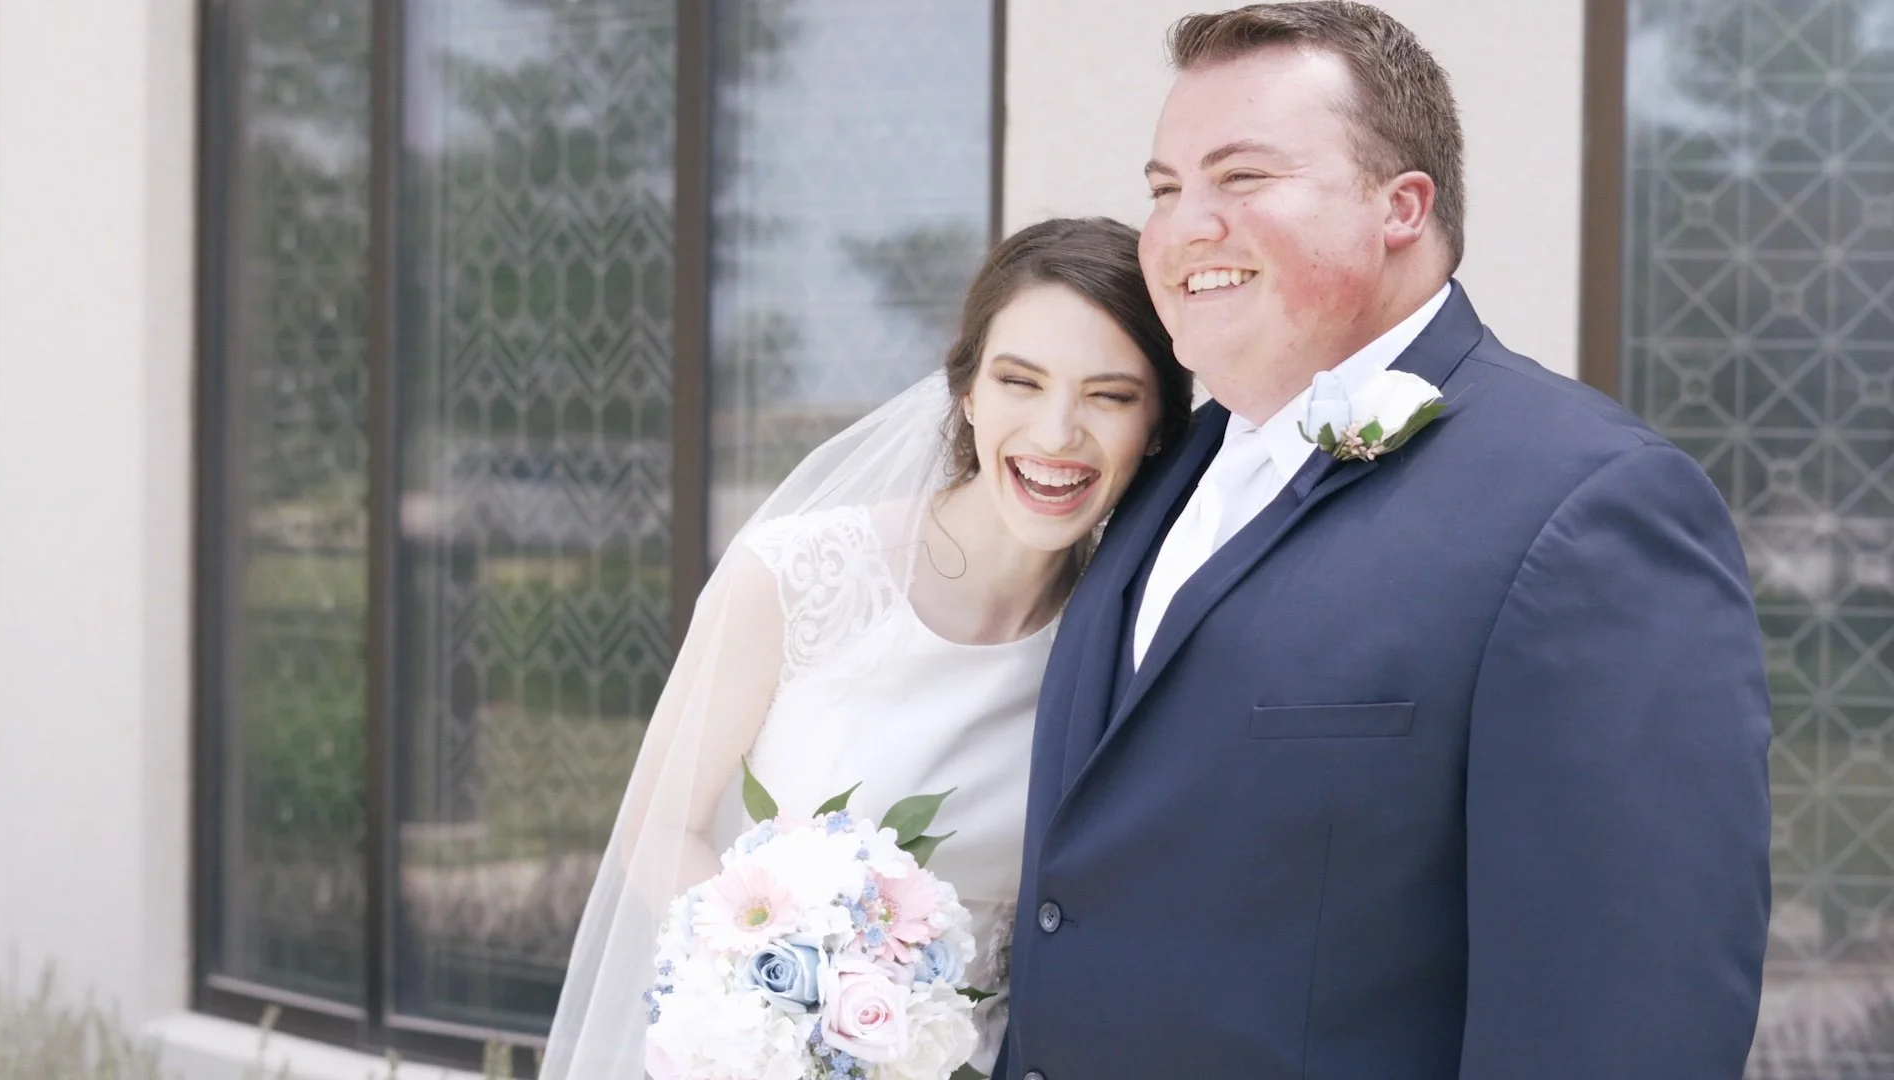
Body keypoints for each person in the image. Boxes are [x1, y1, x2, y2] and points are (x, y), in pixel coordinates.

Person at [998, 5, 1773, 1079]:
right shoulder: (1155, 468)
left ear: (1401, 206)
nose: (1182, 228)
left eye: (1242, 178)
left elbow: (1622, 1020)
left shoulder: (1589, 508)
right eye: (1165, 189)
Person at [538, 216, 1193, 1079]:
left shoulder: (1129, 637)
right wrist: (788, 1003)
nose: (1057, 433)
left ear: (1154, 426)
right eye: (1019, 382)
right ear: (966, 391)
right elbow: (660, 826)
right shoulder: (797, 577)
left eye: (1109, 395)